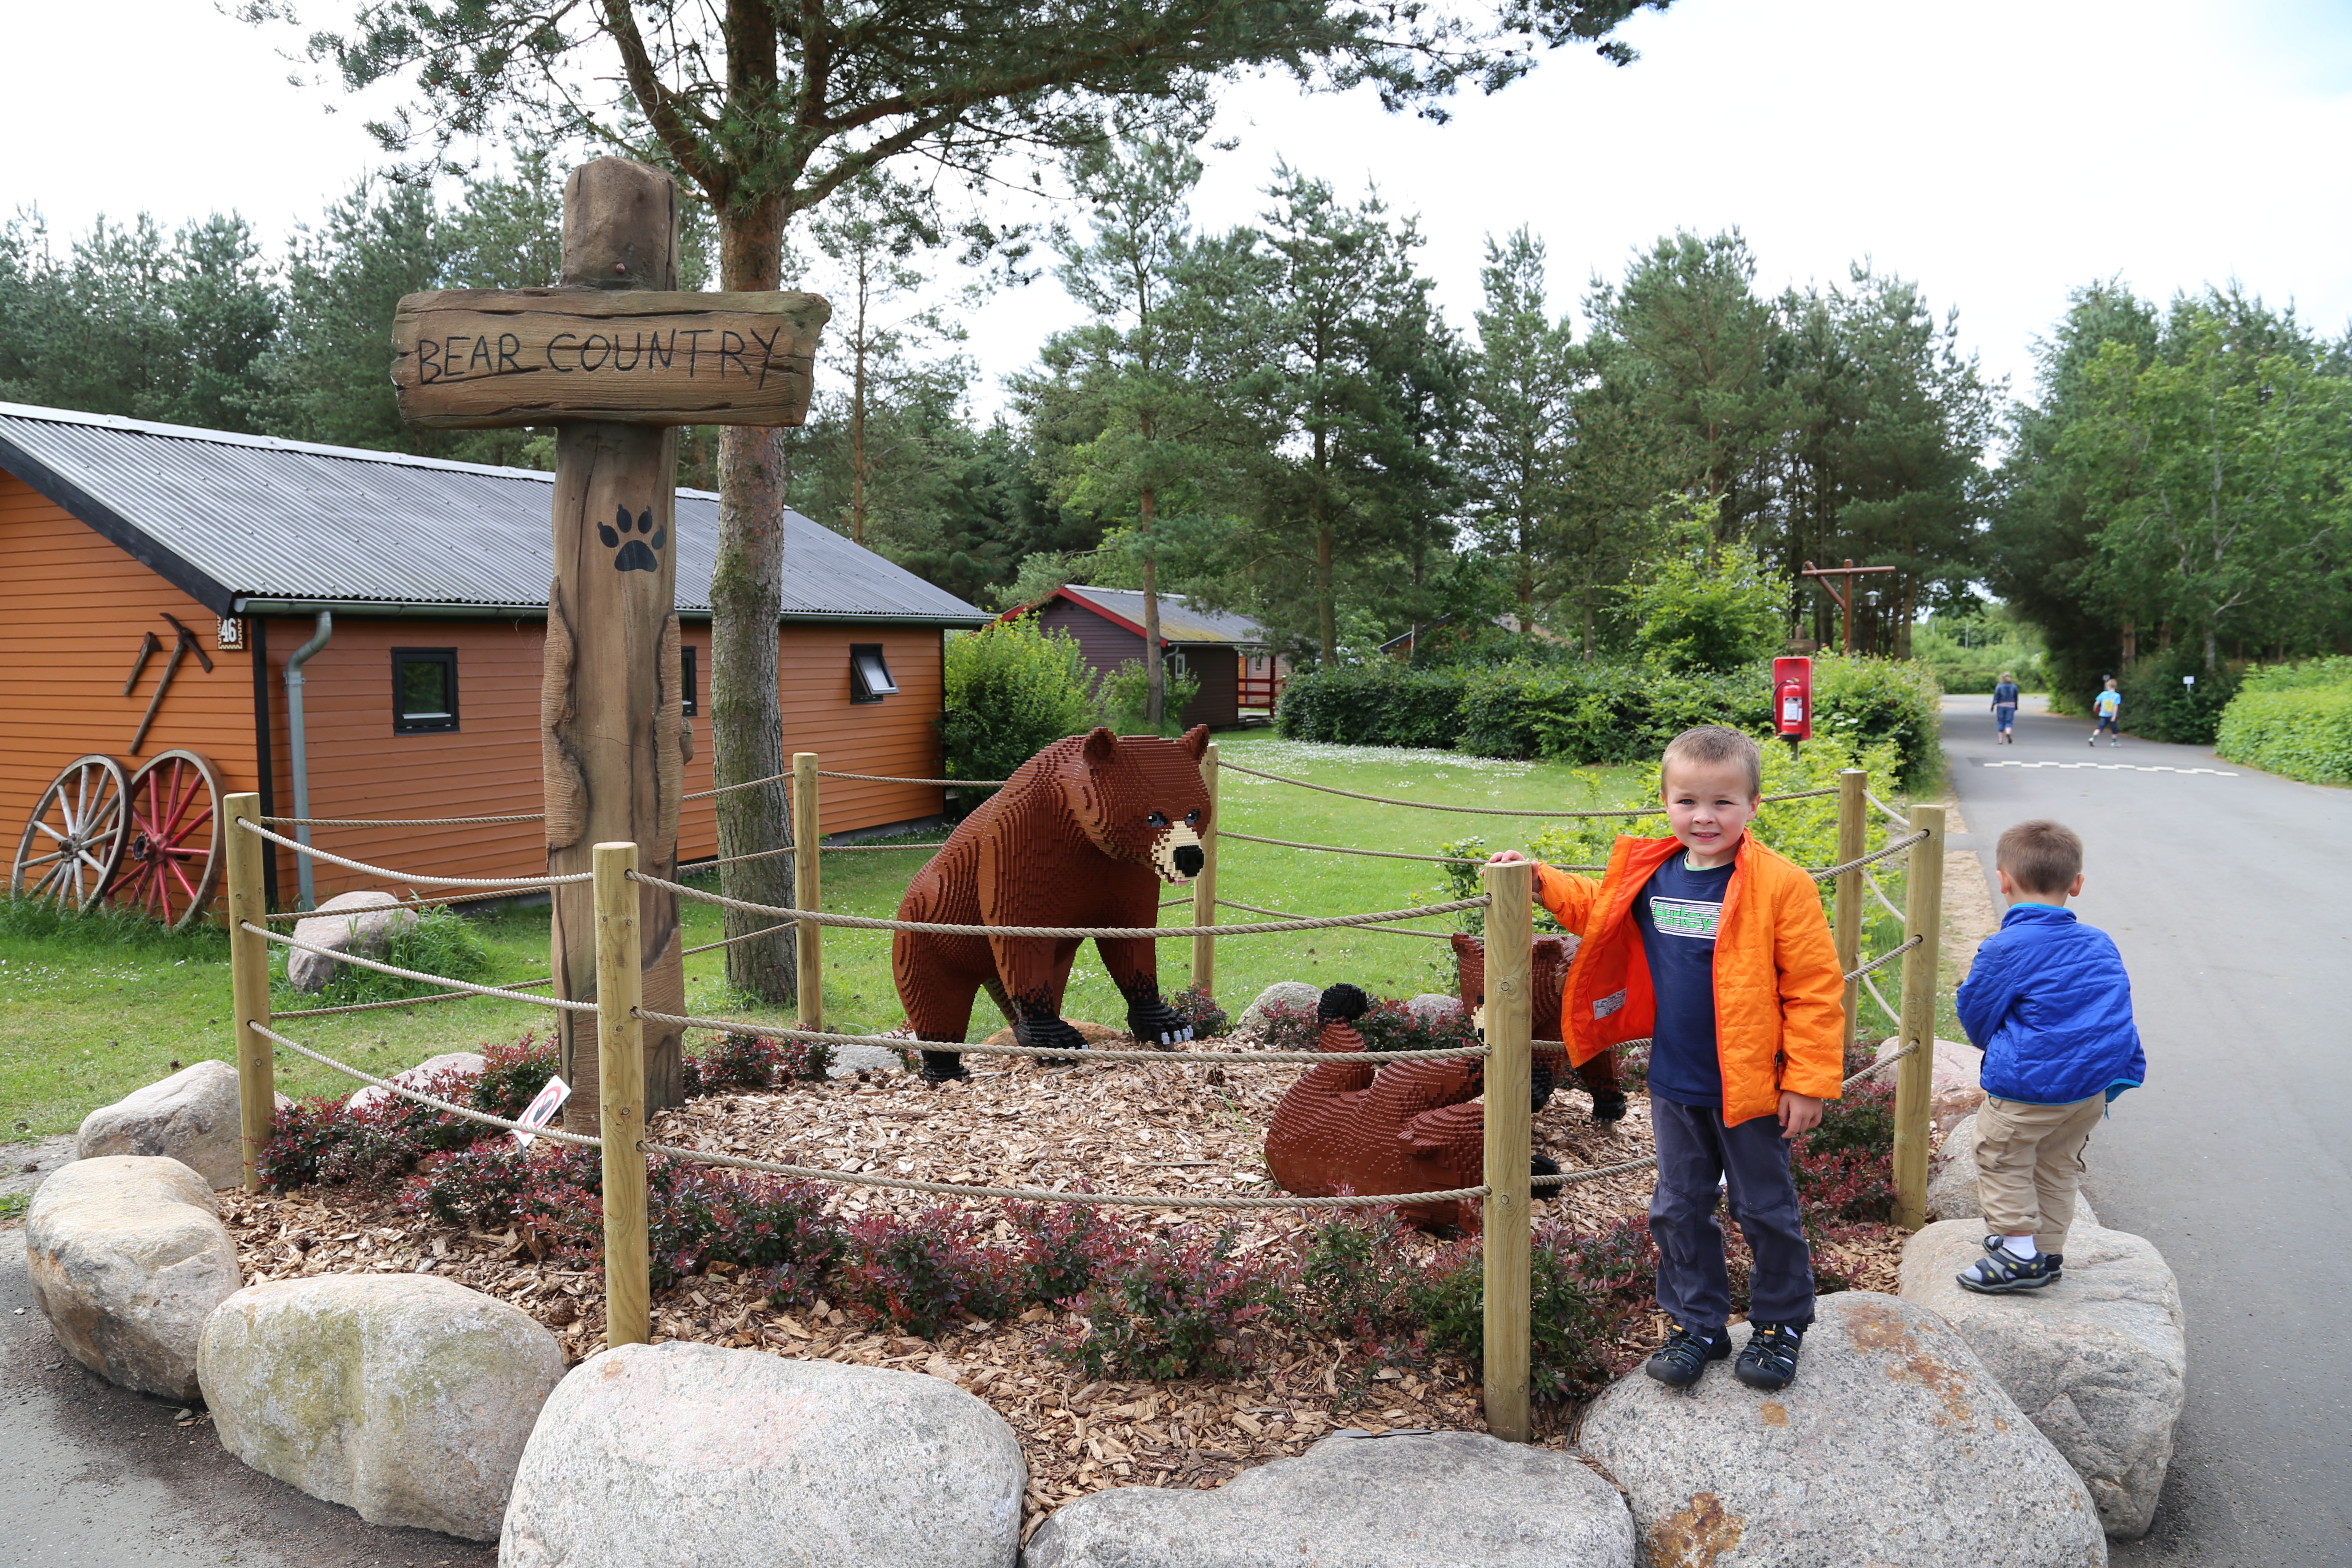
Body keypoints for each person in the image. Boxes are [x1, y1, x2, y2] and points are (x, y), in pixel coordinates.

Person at [1488, 725, 1844, 1392]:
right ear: (1666, 800)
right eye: (1687, 802)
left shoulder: (1781, 887)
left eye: (1722, 803)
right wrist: (1539, 880)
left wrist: (1809, 1081)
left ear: (1754, 806)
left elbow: (1814, 989)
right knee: (1678, 1207)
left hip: (1754, 1087)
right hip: (1676, 1080)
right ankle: (1698, 1323)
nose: (1703, 817)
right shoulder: (1652, 873)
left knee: (1764, 1207)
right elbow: (1597, 910)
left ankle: (1780, 1322)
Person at [1952, 819, 2144, 1292]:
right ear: (2076, 885)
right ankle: (2047, 1252)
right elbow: (2114, 1004)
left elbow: (1977, 1015)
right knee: (2056, 1164)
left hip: (2031, 1088)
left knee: (2000, 1154)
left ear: (2003, 880)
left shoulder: (2005, 947)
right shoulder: (2099, 941)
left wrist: (1996, 1045)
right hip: (2092, 1087)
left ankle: (2017, 1254)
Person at [2089, 677, 2122, 747]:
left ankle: (2093, 738)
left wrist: (2095, 709)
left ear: (2109, 686)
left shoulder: (2103, 694)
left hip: (2103, 715)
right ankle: (2114, 742)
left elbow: (2097, 703)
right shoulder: (2117, 696)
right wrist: (2114, 716)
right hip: (2111, 715)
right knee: (2114, 729)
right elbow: (2116, 706)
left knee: (2100, 728)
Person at [1992, 672, 2021, 744]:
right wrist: (2016, 706)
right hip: (2011, 705)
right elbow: (2016, 697)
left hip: (2001, 705)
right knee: (2009, 721)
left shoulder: (1999, 687)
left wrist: (1993, 706)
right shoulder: (2014, 687)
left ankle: (2000, 740)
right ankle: (2008, 733)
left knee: (2001, 722)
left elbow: (1996, 697)